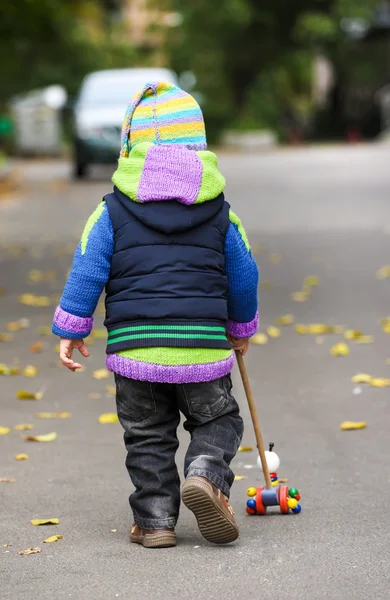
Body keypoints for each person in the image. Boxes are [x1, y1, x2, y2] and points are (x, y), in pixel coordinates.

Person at [52, 81, 259, 549]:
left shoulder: (109, 212)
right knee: (218, 421)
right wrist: (240, 327)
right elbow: (243, 274)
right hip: (201, 348)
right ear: (200, 148)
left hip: (135, 350)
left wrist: (71, 327)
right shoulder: (222, 214)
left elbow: (87, 267)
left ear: (130, 148)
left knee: (147, 437)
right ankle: (206, 473)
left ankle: (156, 522)